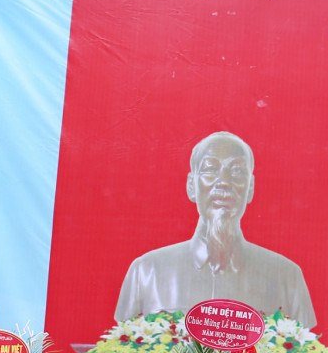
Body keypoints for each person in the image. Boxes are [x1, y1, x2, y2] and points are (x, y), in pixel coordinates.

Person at [115, 131, 316, 326]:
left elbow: (304, 346)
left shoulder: (286, 277)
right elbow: (121, 344)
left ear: (250, 188)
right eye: (210, 169)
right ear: (191, 185)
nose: (224, 182)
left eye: (237, 171)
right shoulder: (147, 271)